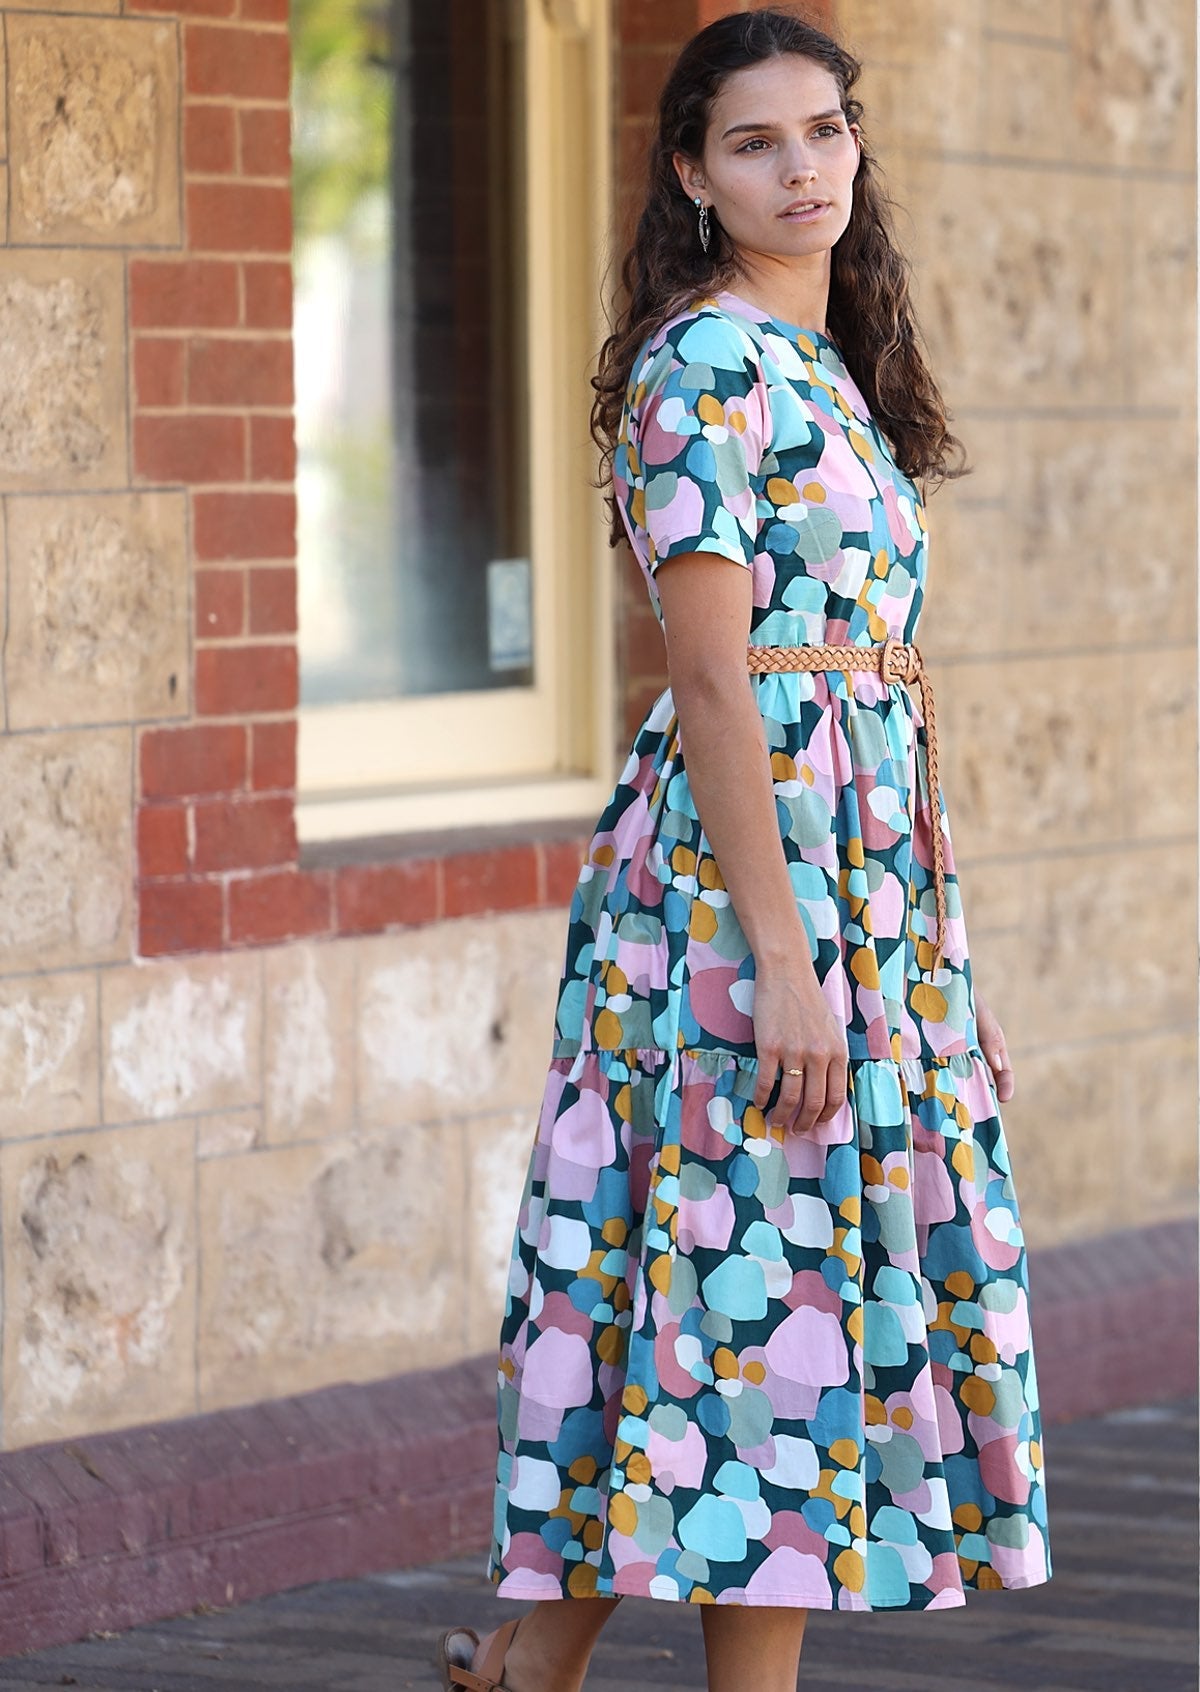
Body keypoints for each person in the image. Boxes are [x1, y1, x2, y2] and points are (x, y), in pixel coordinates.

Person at [436, 9, 1052, 1690]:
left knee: (722, 1265)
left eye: (825, 131)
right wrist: (784, 958)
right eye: (757, 143)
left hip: (859, 878)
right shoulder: (704, 362)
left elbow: (876, 693)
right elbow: (713, 679)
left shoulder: (821, 359)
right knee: (755, 1287)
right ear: (693, 176)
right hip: (740, 886)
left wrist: (936, 968)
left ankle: (531, 1664)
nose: (802, 168)